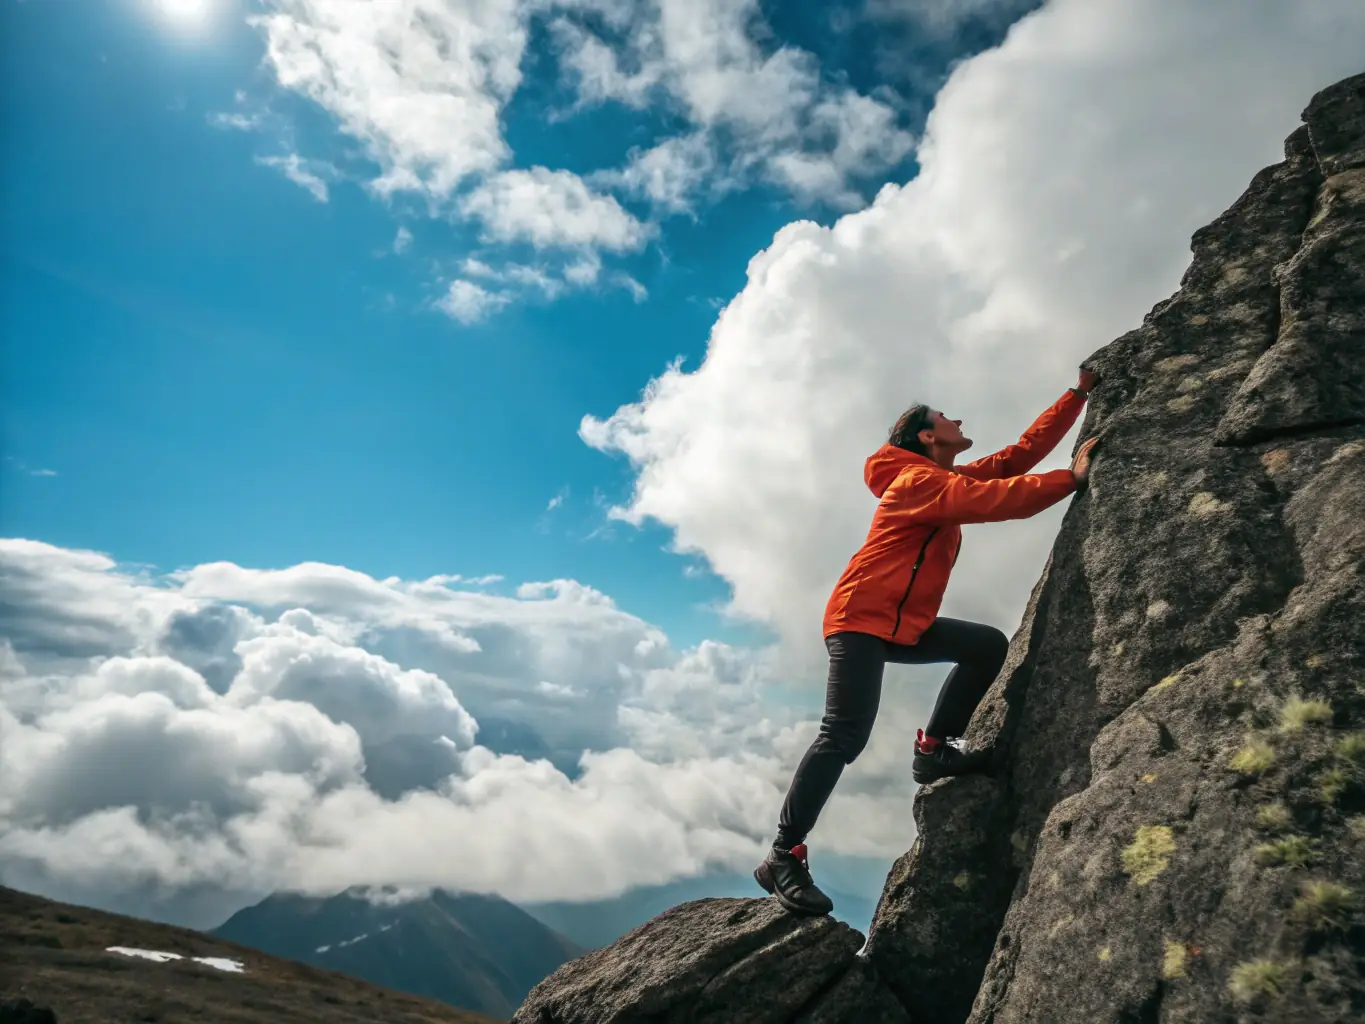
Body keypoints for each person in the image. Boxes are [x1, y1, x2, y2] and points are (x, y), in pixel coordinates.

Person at [754, 367, 1100, 916]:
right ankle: (782, 856)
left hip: (899, 622)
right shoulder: (919, 483)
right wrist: (1071, 480)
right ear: (925, 435)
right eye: (945, 417)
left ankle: (934, 751)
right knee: (843, 735)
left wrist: (1077, 396)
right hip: (861, 619)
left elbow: (1012, 461)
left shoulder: (935, 477)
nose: (957, 419)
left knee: (985, 646)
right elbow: (998, 499)